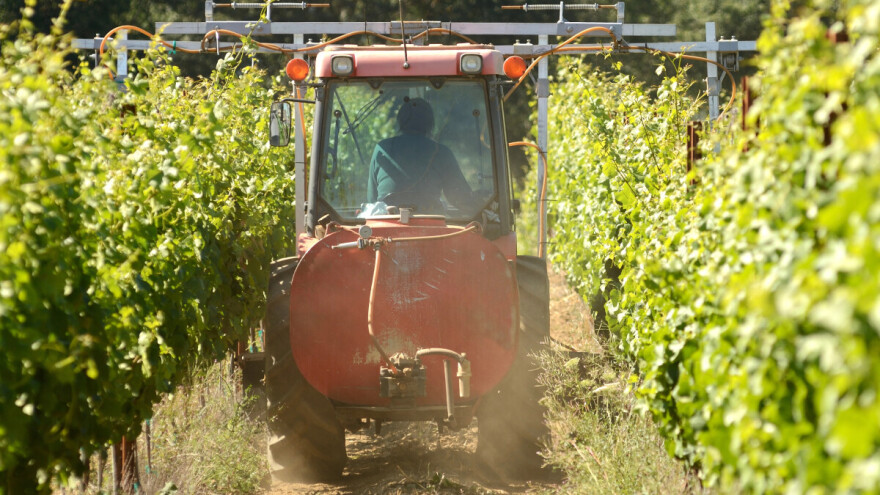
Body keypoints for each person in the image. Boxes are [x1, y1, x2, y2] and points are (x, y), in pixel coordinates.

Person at [367, 97, 475, 215]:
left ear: (401, 121)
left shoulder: (382, 148)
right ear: (430, 123)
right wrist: (482, 204)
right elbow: (461, 198)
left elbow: (372, 199)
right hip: (430, 229)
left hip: (387, 225)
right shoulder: (441, 152)